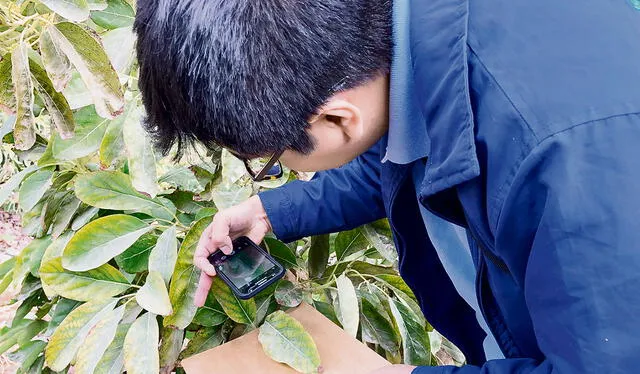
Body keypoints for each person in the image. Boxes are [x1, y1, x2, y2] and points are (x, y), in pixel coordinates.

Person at [133, 0, 640, 372]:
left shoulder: (564, 157)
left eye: (270, 163)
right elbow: (409, 154)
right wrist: (271, 211)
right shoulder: (415, 37)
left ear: (337, 117)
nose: (270, 169)